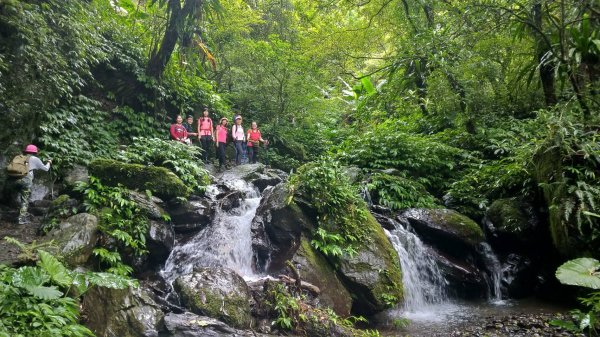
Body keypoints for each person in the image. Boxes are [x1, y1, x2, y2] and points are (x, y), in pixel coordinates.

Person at [6, 144, 51, 224]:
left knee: (16, 196)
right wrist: (49, 162)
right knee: (25, 200)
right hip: (26, 181)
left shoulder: (19, 157)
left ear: (26, 151)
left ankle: (14, 212)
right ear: (35, 152)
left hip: (14, 180)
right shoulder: (34, 159)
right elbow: (46, 169)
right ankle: (21, 219)